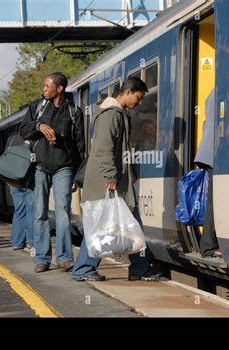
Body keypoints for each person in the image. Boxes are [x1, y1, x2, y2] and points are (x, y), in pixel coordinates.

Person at [72, 77, 162, 282]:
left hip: (117, 181)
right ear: (128, 92)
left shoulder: (118, 114)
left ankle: (139, 268)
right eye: (138, 98)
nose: (139, 103)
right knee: (101, 226)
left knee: (127, 225)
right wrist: (110, 175)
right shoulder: (111, 114)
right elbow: (104, 147)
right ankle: (84, 269)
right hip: (108, 181)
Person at [19, 72, 85, 273]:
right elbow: (23, 130)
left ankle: (64, 258)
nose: (44, 89)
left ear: (60, 88)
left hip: (64, 167)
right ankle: (42, 258)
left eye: (48, 86)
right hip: (39, 166)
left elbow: (80, 146)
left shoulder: (74, 111)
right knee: (40, 213)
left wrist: (78, 175)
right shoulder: (37, 107)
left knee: (63, 213)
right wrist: (39, 125)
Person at [194, 89, 222, 258]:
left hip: (208, 150)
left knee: (213, 200)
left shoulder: (213, 92)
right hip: (214, 152)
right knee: (214, 201)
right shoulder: (224, 89)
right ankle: (209, 247)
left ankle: (209, 244)